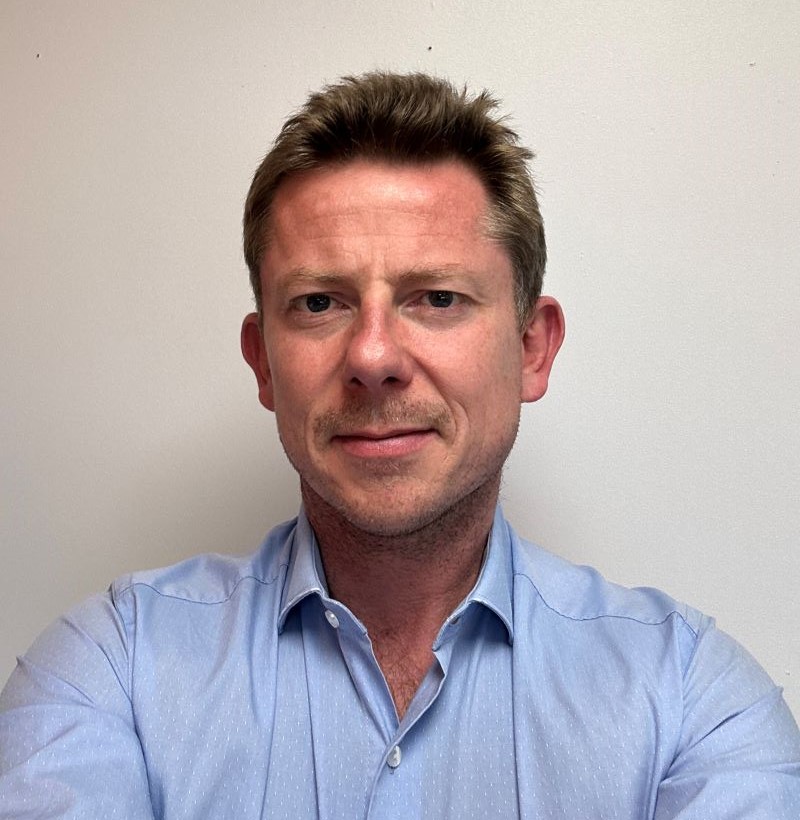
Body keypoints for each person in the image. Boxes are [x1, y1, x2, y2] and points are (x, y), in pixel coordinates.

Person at [1, 71, 798, 819]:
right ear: (264, 363)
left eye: (437, 298)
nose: (373, 356)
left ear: (532, 349)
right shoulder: (110, 672)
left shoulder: (691, 697)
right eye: (320, 303)